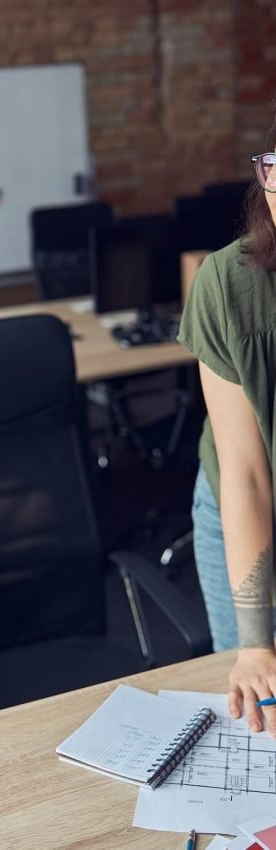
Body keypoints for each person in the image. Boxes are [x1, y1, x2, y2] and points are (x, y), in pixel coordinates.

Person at [178, 112, 276, 737]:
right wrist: (256, 644)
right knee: (258, 708)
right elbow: (244, 478)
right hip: (244, 507)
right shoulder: (229, 284)